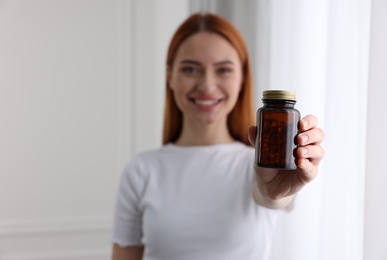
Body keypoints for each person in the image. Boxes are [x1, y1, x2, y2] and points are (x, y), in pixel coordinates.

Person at [111, 12, 325, 260]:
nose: (208, 86)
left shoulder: (258, 164)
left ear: (242, 78)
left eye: (223, 70)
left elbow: (270, 196)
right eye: (191, 69)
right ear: (170, 76)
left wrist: (275, 192)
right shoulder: (141, 170)